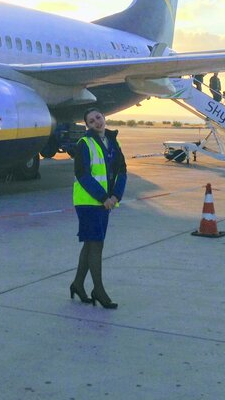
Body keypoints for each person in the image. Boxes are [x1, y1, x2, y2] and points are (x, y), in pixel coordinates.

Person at [70, 108, 127, 309]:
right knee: (96, 245)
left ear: (104, 118)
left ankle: (77, 284)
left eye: (98, 118)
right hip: (88, 202)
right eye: (92, 121)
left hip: (106, 202)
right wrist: (104, 197)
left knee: (91, 244)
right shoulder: (84, 144)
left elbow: (122, 171)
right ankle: (99, 291)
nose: (97, 122)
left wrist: (115, 196)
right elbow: (82, 175)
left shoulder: (113, 142)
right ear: (88, 126)